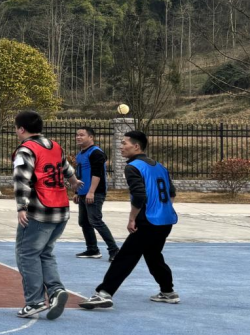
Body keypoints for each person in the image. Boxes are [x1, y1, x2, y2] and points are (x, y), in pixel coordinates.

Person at [80, 130, 180, 310]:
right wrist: (163, 210)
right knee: (153, 256)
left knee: (125, 257)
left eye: (124, 143)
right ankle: (168, 291)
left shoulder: (133, 167)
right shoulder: (159, 166)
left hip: (148, 220)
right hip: (165, 220)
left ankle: (104, 293)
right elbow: (171, 193)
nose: (121, 146)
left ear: (136, 146)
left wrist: (132, 218)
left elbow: (139, 196)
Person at [13, 111, 83, 320]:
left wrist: (22, 207)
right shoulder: (55, 146)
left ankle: (34, 301)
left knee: (27, 254)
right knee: (45, 252)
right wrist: (74, 182)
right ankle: (55, 290)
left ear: (21, 129)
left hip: (39, 209)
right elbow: (66, 169)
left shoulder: (26, 150)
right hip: (60, 208)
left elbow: (21, 179)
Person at [74, 127, 120, 262]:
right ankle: (92, 249)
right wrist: (77, 192)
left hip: (95, 193)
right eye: (77, 135)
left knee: (96, 221)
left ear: (91, 137)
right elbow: (79, 174)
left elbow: (97, 174)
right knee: (84, 222)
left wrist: (91, 192)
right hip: (83, 193)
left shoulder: (96, 153)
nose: (78, 137)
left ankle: (114, 250)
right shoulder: (80, 154)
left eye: (82, 135)